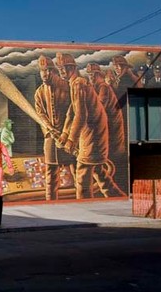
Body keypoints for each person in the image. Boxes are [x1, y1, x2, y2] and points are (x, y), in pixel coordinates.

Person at [56, 53, 123, 199]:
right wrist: (64, 134)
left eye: (63, 68)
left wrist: (71, 140)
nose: (60, 71)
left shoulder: (78, 83)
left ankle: (83, 207)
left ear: (71, 68)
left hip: (94, 135)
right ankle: (116, 197)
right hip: (93, 134)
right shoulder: (75, 83)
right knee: (99, 172)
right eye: (59, 68)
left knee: (82, 175)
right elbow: (71, 112)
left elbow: (81, 115)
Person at [33, 55, 74, 200]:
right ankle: (50, 200)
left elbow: (73, 111)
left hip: (70, 138)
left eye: (47, 70)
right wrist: (50, 129)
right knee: (51, 172)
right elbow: (40, 114)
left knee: (75, 168)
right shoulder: (39, 93)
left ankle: (82, 201)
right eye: (42, 71)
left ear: (53, 71)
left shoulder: (67, 87)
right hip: (51, 138)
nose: (45, 74)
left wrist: (65, 133)